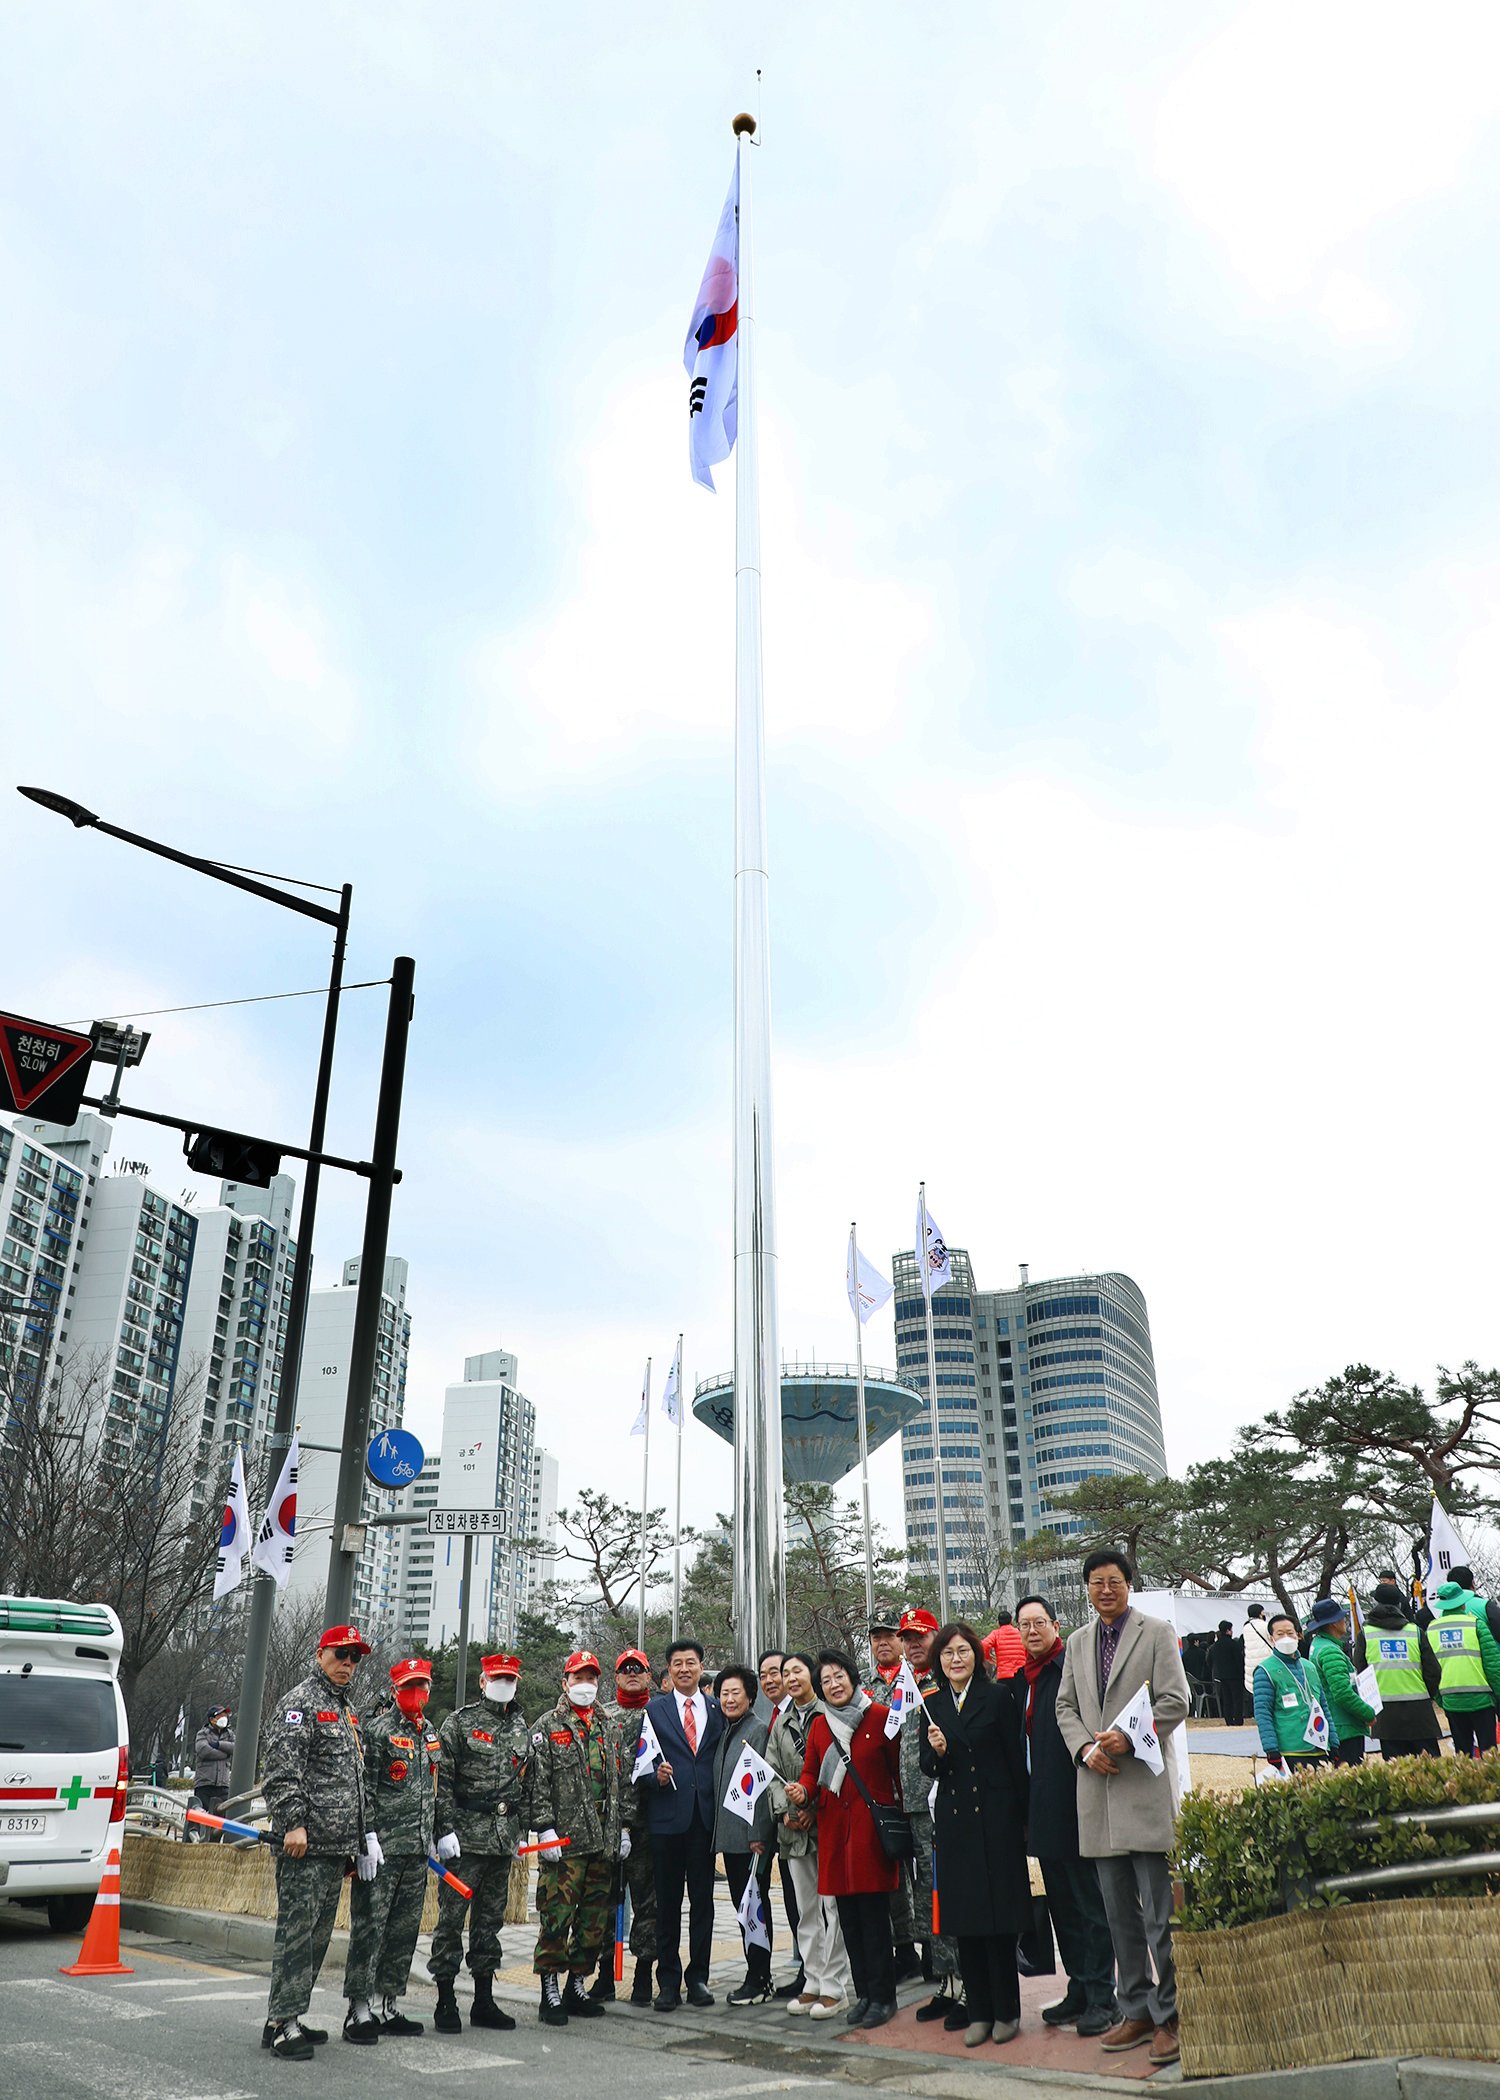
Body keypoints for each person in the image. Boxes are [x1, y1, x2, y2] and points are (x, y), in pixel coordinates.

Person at [1054, 1548, 1190, 2071]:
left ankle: (1170, 2016)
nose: (1105, 1589)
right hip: (1097, 1791)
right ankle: (1134, 2008)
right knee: (1118, 1917)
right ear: (1087, 1588)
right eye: (1095, 1582)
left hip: (1143, 1784)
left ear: (1129, 1584)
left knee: (1160, 1913)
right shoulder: (1078, 1641)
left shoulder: (1154, 1632)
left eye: (1113, 1580)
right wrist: (1086, 1748)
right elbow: (1065, 1706)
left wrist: (1128, 1741)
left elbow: (1176, 1701)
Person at [261, 1624, 372, 2060]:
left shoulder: (346, 1709)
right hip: (303, 1845)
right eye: (341, 1654)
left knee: (316, 1938)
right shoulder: (301, 1703)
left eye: (355, 1657)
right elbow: (281, 1771)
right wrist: (293, 1822)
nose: (348, 1663)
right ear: (321, 1653)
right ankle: (283, 2021)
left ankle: (286, 2017)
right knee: (296, 1936)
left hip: (332, 1847)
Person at [920, 1621, 1030, 2049]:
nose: (956, 1659)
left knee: (1000, 1921)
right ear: (939, 1662)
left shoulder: (999, 1696)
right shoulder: (931, 1704)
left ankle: (1007, 2011)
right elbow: (927, 1766)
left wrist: (1022, 1820)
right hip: (955, 1825)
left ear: (977, 1656)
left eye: (963, 1651)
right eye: (947, 1654)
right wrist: (939, 1752)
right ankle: (979, 2011)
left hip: (997, 1818)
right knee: (965, 1922)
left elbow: (1014, 1760)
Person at [1013, 1595, 1116, 2037]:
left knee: (1089, 1903)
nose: (1032, 1631)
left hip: (1078, 1801)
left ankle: (1102, 1996)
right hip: (1042, 1809)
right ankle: (1078, 1986)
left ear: (1056, 1625)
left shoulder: (1071, 1669)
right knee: (1062, 1906)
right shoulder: (1020, 1681)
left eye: (1039, 1622)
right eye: (1024, 1625)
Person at [785, 1649, 902, 2031]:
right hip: (835, 1834)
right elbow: (810, 1772)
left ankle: (884, 1996)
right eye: (826, 1681)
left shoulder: (881, 1718)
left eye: (839, 1677)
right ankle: (865, 1992)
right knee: (848, 1923)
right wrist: (803, 1791)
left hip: (870, 1835)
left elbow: (898, 1773)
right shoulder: (820, 1726)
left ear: (852, 1678)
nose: (833, 1685)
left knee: (874, 1920)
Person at [431, 1651, 530, 2034]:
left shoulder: (522, 1728)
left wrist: (524, 1831)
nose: (503, 1684)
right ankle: (445, 2000)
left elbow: (527, 1783)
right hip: (465, 1840)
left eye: (509, 1678)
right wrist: (445, 1829)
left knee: (489, 1924)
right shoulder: (459, 1723)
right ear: (483, 1681)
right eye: (497, 1677)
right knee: (451, 1921)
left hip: (502, 1840)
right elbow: (442, 1780)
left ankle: (484, 2001)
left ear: (517, 1682)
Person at [343, 1657, 442, 2041]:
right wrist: (365, 1838)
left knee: (403, 1932)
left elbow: (434, 1788)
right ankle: (359, 2009)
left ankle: (389, 2004)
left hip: (416, 1850)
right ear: (395, 1689)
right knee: (370, 1930)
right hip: (382, 1850)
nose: (416, 1693)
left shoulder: (430, 1733)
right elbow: (364, 1790)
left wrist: (435, 1832)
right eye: (409, 1686)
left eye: (422, 1686)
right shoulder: (378, 1731)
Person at [525, 1649, 624, 2026]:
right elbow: (537, 1784)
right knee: (557, 1916)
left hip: (602, 1839)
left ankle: (576, 1985)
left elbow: (620, 1780)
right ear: (565, 1683)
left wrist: (623, 1828)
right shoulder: (548, 1726)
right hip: (565, 1842)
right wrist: (544, 1827)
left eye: (592, 1679)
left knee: (594, 1919)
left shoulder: (609, 1726)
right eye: (578, 1678)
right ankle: (549, 1988)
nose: (586, 1685)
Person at [767, 1651, 852, 2019]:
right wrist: (787, 1811)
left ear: (811, 1674)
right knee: (806, 1910)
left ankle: (836, 1986)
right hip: (793, 1832)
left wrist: (811, 1808)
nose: (790, 1677)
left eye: (796, 1670)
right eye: (784, 1674)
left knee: (832, 1907)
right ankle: (813, 1981)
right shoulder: (780, 1723)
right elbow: (769, 1773)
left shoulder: (829, 1713)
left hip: (828, 1825)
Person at [640, 1637, 723, 2010]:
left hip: (704, 1820)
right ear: (669, 1671)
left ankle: (699, 1979)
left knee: (703, 1903)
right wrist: (653, 1776)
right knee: (668, 1905)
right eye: (677, 1663)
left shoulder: (717, 1709)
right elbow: (638, 1764)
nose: (685, 1669)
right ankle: (669, 1983)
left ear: (701, 1667)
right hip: (667, 1820)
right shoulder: (653, 1711)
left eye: (691, 1662)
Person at [897, 1606, 964, 2028]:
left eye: (920, 1635)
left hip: (946, 1803)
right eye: (908, 1637)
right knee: (927, 1897)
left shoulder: (945, 1685)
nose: (913, 1644)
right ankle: (945, 1978)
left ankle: (965, 1978)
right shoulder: (898, 1686)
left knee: (951, 1890)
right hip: (910, 1807)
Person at [592, 1647, 657, 2007]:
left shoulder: (659, 1714)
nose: (632, 1673)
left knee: (649, 1904)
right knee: (604, 1901)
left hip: (648, 1827)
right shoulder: (602, 1716)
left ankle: (644, 1976)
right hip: (608, 1826)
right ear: (615, 1677)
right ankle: (604, 1975)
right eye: (625, 1669)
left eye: (639, 1669)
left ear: (649, 1675)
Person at [862, 1602, 922, 1986]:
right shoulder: (864, 1686)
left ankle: (934, 1949)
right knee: (894, 1877)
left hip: (919, 1790)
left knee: (927, 1874)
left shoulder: (917, 1678)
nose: (883, 1642)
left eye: (890, 1636)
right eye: (877, 1637)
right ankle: (904, 1949)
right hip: (882, 1796)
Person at [711, 1664, 777, 2006]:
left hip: (750, 1841)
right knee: (745, 1905)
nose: (729, 1698)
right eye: (724, 1693)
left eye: (736, 1692)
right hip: (732, 1839)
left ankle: (760, 1978)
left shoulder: (758, 1730)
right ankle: (758, 1972)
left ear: (750, 1696)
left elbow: (763, 1786)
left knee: (754, 1906)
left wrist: (757, 1834)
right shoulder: (728, 1731)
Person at [1356, 1584, 1443, 1760]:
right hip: (1420, 1714)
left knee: (1397, 1777)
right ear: (1399, 1605)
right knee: (1431, 1773)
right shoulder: (1416, 1632)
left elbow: (1361, 1672)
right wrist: (1426, 1695)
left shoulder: (1366, 1634)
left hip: (1386, 1717)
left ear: (1375, 1603)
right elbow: (1433, 1671)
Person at [1426, 1576, 1500, 1758]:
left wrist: (1441, 1699)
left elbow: (1429, 1671)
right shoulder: (1476, 1625)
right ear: (1463, 1603)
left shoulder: (1431, 1630)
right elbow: (1493, 1666)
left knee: (1463, 1756)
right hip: (1481, 1700)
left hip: (1452, 1702)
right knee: (1489, 1755)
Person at [1251, 1614, 1332, 1773]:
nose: (1286, 1637)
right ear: (1271, 1638)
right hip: (1291, 1749)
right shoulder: (1265, 1671)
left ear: (1298, 1635)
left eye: (1290, 1633)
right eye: (1279, 1634)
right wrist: (1271, 1749)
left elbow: (1323, 1706)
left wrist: (1333, 1741)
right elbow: (1263, 1713)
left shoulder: (1309, 1667)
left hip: (1320, 1745)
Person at [1307, 1599, 1375, 1766]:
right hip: (1344, 1727)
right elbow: (1342, 1693)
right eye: (1341, 1618)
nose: (1344, 1621)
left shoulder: (1320, 1645)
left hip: (1335, 1725)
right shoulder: (1330, 1651)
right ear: (1334, 1623)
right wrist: (1368, 1713)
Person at [1209, 1621, 1244, 1727]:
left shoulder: (1215, 1646)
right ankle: (1238, 1719)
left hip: (1222, 1676)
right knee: (1237, 1699)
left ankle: (1228, 1719)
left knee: (1226, 1699)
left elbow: (1211, 1660)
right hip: (1235, 1675)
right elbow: (1238, 1660)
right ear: (1228, 1630)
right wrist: (1242, 1673)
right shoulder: (1233, 1644)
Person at [981, 1611, 1026, 1682]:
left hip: (1004, 1674)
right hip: (1020, 1673)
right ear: (1011, 1622)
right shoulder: (1020, 1633)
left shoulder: (996, 1634)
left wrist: (987, 1657)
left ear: (999, 1624)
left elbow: (984, 1645)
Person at [1241, 1606, 1275, 1699]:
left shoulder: (1246, 1627)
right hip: (1266, 1661)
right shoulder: (1265, 1626)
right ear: (1260, 1613)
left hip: (1251, 1664)